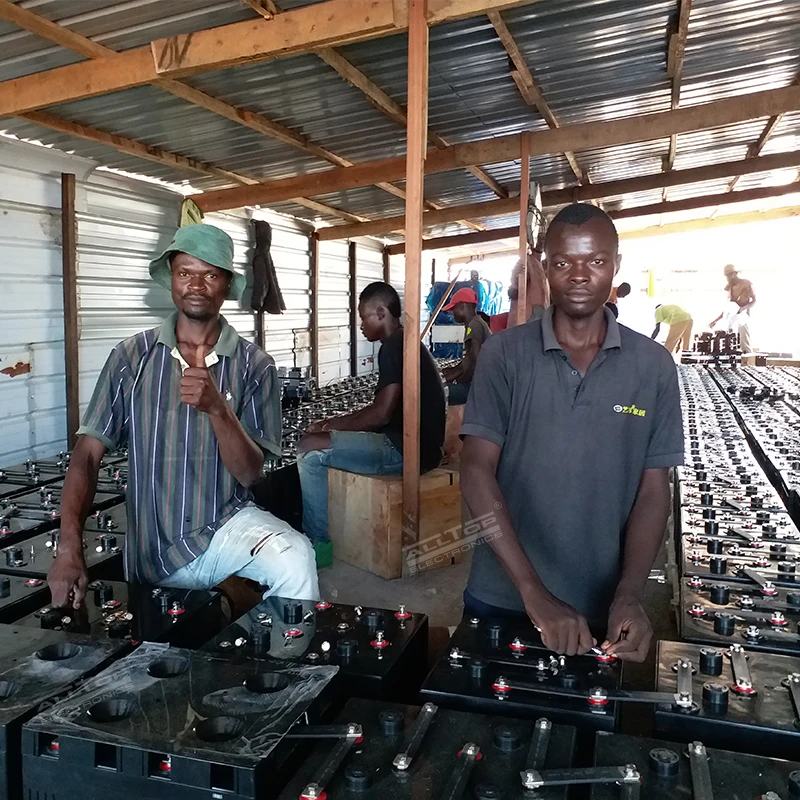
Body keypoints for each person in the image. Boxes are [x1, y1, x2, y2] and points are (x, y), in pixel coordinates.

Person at [48, 225, 319, 610]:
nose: (196, 285)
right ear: (171, 279)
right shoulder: (131, 358)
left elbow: (250, 474)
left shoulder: (254, 365)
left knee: (295, 558)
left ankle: (281, 649)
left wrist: (218, 408)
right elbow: (87, 456)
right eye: (185, 272)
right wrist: (68, 547)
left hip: (225, 529)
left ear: (227, 284)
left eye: (210, 274)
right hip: (152, 550)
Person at [460, 203, 683, 663]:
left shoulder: (653, 366)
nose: (580, 275)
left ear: (616, 265)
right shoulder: (504, 355)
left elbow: (653, 490)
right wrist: (533, 593)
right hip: (502, 596)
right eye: (563, 262)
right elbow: (476, 470)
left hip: (601, 611)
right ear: (545, 268)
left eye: (596, 261)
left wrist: (629, 594)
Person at [297, 282, 446, 567]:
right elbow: (383, 410)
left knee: (309, 449)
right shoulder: (405, 341)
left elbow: (381, 414)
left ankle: (318, 544)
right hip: (422, 447)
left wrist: (328, 426)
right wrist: (335, 425)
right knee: (324, 442)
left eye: (364, 317)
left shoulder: (393, 347)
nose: (362, 325)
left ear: (380, 313)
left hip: (404, 450)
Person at [441, 288, 492, 405]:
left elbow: (476, 360)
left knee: (436, 392)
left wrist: (460, 380)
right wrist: (452, 371)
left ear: (462, 306)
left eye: (453, 309)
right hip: (478, 385)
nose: (452, 313)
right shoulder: (475, 323)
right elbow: (468, 359)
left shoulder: (474, 325)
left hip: (476, 387)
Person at [490, 253, 549, 333]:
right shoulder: (529, 263)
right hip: (531, 311)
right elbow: (513, 291)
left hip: (532, 311)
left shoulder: (538, 266)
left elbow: (513, 292)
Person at [709, 264, 756, 353]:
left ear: (734, 274)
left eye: (728, 276)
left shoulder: (746, 284)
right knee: (729, 342)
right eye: (726, 276)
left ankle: (748, 358)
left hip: (743, 317)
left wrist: (742, 308)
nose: (727, 278)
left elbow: (754, 301)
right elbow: (729, 309)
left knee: (744, 343)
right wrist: (716, 321)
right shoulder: (730, 288)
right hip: (732, 319)